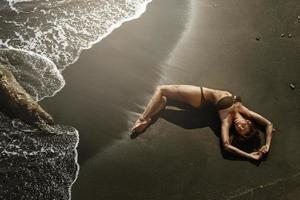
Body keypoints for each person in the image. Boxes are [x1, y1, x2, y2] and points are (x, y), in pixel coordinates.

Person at [130, 85, 274, 160]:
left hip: (202, 97)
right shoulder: (245, 111)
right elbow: (268, 124)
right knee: (164, 97)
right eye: (243, 126)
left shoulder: (227, 120)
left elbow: (226, 145)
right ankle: (160, 107)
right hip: (203, 105)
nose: (238, 126)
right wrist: (267, 144)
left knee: (161, 89)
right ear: (248, 122)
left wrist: (249, 156)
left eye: (238, 130)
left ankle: (143, 120)